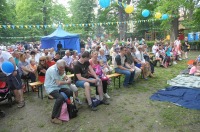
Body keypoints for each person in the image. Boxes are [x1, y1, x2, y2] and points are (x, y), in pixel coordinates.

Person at [44, 60, 74, 124]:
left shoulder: (60, 67)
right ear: (58, 66)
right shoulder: (52, 70)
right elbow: (58, 83)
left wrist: (68, 79)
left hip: (58, 87)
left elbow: (65, 76)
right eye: (61, 68)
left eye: (63, 67)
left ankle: (71, 108)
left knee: (70, 92)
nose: (63, 69)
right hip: (51, 87)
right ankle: (54, 117)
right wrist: (67, 82)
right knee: (60, 98)